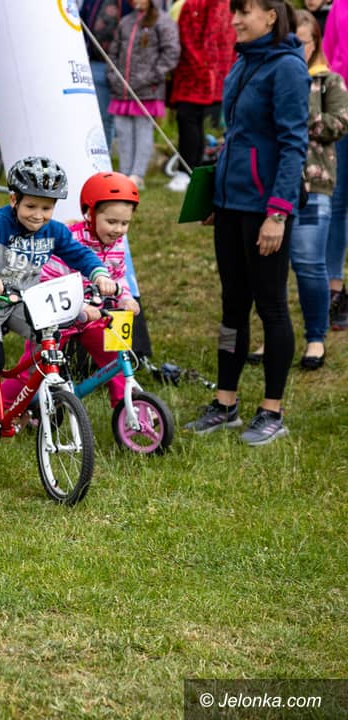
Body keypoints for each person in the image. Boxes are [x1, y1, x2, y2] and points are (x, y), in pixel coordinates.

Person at [184, 0, 308, 446]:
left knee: (271, 306)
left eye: (244, 12)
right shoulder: (242, 62)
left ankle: (272, 410)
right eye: (233, 12)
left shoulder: (288, 69)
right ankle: (225, 404)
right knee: (232, 306)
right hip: (230, 205)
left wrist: (277, 212)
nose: (233, 20)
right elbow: (235, 136)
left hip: (265, 209)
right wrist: (215, 195)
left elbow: (293, 144)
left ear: (271, 16)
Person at [0, 157, 116, 464]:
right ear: (14, 200)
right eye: (31, 206)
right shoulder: (0, 225)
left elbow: (79, 254)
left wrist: (100, 274)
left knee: (49, 341)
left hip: (25, 300)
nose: (38, 215)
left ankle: (34, 398)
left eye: (46, 208)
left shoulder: (54, 232)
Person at [250, 10, 348, 369]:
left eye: (301, 43)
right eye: (288, 42)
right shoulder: (268, 76)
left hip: (313, 184)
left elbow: (339, 124)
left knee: (308, 263)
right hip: (271, 184)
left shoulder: (328, 82)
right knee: (270, 266)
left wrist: (296, 109)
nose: (294, 50)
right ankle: (273, 334)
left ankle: (315, 337)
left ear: (315, 43)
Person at [0, 173, 143, 410]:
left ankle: (125, 407)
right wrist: (78, 305)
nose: (118, 229)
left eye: (124, 223)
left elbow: (118, 276)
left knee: (115, 355)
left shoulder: (116, 244)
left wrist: (124, 297)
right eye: (111, 222)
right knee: (34, 369)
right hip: (57, 315)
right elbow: (50, 280)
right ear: (90, 214)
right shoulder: (72, 240)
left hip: (92, 316)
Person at [107, 0, 179, 190]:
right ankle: (124, 173)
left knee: (142, 133)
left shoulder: (163, 22)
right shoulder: (126, 21)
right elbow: (113, 52)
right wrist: (113, 75)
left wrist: (149, 77)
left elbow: (171, 53)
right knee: (123, 133)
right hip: (121, 90)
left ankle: (137, 175)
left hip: (147, 92)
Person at [166, 0, 235, 191]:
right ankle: (192, 170)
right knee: (194, 122)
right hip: (209, 74)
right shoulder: (223, 5)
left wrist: (204, 69)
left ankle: (186, 171)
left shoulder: (202, 4)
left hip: (197, 75)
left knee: (188, 120)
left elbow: (195, 39)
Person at [80, 0, 133, 150]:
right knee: (97, 117)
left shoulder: (131, 4)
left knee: (118, 120)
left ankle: (112, 156)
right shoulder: (91, 2)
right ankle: (99, 155)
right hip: (96, 64)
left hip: (123, 68)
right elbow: (81, 24)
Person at [324, 0, 348, 329]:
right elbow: (329, 58)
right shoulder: (338, 7)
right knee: (338, 200)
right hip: (343, 113)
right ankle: (335, 289)